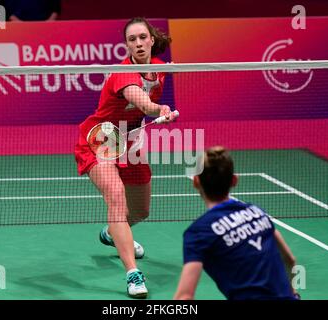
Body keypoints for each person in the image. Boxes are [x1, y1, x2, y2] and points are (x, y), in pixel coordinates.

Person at [74, 17, 175, 298]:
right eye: (132, 39)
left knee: (140, 211)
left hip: (131, 138)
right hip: (102, 137)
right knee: (116, 197)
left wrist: (156, 112)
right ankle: (133, 274)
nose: (138, 43)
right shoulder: (123, 73)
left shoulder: (159, 69)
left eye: (143, 37)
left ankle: (111, 234)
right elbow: (140, 100)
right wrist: (159, 109)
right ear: (127, 45)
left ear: (152, 40)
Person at [174, 146, 300, 300]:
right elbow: (290, 260)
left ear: (195, 182)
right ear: (234, 180)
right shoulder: (257, 213)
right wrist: (293, 293)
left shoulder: (199, 232)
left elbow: (184, 297)